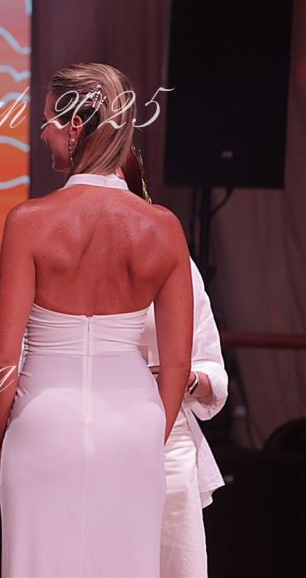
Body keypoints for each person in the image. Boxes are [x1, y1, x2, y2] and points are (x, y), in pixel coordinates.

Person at [0, 62, 193, 576]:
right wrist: (152, 434)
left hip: (43, 419)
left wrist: (5, 433)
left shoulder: (29, 220)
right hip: (135, 424)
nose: (43, 133)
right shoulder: (164, 228)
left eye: (48, 121)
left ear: (76, 126)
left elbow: (1, 355)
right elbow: (176, 364)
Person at [123, 148, 228, 577]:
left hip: (169, 440)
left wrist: (188, 380)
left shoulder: (172, 259)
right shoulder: (68, 255)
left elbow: (211, 366)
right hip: (96, 429)